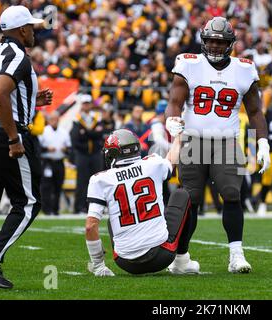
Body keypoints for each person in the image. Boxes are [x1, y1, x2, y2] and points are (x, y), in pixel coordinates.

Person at [165, 17, 270, 274]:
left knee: (232, 194)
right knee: (191, 198)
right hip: (193, 140)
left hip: (227, 140)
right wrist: (171, 120)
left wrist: (263, 142)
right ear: (203, 40)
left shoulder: (244, 69)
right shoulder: (189, 64)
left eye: (220, 42)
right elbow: (175, 100)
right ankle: (181, 258)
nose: (214, 46)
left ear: (230, 44)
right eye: (210, 40)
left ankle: (236, 254)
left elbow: (255, 111)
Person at [0, 5, 51, 289]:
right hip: (3, 134)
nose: (33, 32)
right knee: (29, 202)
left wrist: (32, 102)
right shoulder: (19, 56)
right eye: (31, 27)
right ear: (21, 30)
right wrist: (12, 137)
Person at [85, 128, 190, 276]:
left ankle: (99, 267)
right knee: (182, 194)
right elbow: (172, 158)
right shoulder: (153, 164)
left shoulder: (100, 179)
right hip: (162, 256)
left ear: (113, 154)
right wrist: (178, 136)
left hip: (125, 263)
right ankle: (182, 261)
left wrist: (98, 266)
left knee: (112, 220)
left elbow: (90, 226)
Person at [70, 94, 104, 214]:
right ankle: (79, 207)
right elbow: (75, 137)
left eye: (88, 103)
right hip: (82, 154)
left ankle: (96, 207)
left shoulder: (97, 117)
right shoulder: (77, 118)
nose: (86, 105)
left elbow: (100, 134)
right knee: (81, 181)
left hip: (95, 154)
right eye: (84, 103)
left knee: (97, 181)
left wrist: (86, 133)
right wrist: (92, 133)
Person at [38, 111, 71, 215]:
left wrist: (65, 149)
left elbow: (69, 148)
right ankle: (46, 209)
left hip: (59, 161)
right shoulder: (43, 131)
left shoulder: (63, 131)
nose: (54, 121)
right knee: (46, 186)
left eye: (56, 119)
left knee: (58, 185)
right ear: (48, 120)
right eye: (52, 119)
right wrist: (47, 149)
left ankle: (56, 209)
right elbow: (38, 148)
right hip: (47, 162)